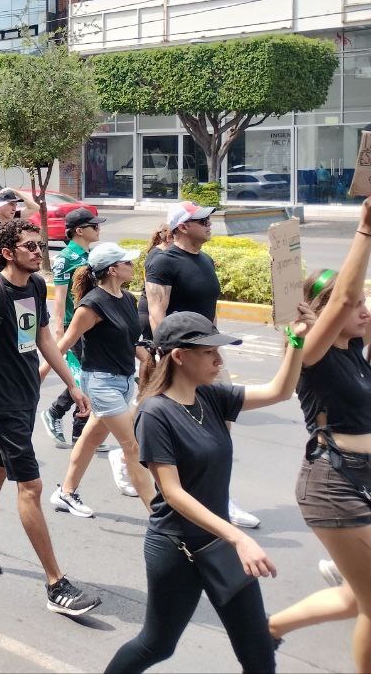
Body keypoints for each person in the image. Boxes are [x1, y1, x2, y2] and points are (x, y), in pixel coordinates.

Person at [104, 307, 311, 673]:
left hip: (220, 543)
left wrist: (296, 339)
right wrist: (239, 538)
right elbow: (172, 493)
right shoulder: (154, 413)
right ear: (180, 357)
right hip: (177, 548)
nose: (219, 359)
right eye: (209, 352)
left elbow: (280, 391)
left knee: (258, 652)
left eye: (219, 351)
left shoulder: (211, 397)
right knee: (157, 645)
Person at [0, 218, 101, 616]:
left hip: (25, 393)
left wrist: (71, 383)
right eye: (30, 246)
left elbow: (41, 337)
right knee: (31, 487)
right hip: (2, 402)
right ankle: (56, 583)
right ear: (7, 253)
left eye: (40, 245)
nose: (39, 251)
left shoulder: (35, 285)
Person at [283, 209, 371, 673]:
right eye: (355, 304)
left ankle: (270, 628)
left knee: (358, 595)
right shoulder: (310, 353)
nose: (363, 309)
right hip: (332, 482)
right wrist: (365, 228)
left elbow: (351, 303)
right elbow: (342, 302)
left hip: (363, 480)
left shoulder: (356, 349)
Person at [146, 199, 259, 530]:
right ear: (183, 226)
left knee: (220, 426)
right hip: (180, 358)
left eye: (209, 219)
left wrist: (215, 347)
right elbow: (157, 312)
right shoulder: (164, 262)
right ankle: (169, 487)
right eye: (202, 220)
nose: (210, 223)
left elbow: (209, 309)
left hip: (207, 352)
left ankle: (218, 498)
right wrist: (165, 356)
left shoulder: (206, 260)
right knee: (176, 431)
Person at [47, 242, 156, 519]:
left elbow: (131, 342)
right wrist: (38, 374)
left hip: (124, 381)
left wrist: (150, 361)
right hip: (99, 382)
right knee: (133, 446)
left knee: (90, 438)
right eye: (127, 263)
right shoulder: (92, 304)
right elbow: (65, 343)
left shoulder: (128, 299)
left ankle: (66, 492)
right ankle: (159, 516)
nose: (133, 266)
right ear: (112, 270)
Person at [42, 208, 105, 449]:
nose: (99, 229)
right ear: (79, 230)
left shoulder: (91, 256)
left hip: (90, 323)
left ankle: (79, 433)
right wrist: (60, 331)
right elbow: (59, 298)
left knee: (88, 377)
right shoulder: (65, 258)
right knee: (82, 379)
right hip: (72, 326)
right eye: (94, 226)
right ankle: (57, 414)